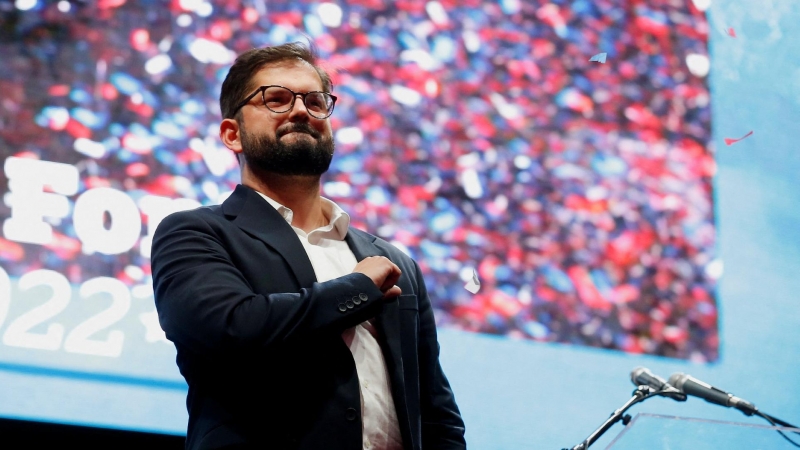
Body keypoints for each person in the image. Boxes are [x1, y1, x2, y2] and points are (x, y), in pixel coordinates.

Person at [151, 42, 466, 450]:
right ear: (233, 134)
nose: (301, 111)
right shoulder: (196, 233)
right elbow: (231, 329)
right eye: (276, 100)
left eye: (316, 102)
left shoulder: (395, 261)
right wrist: (358, 289)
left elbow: (435, 412)